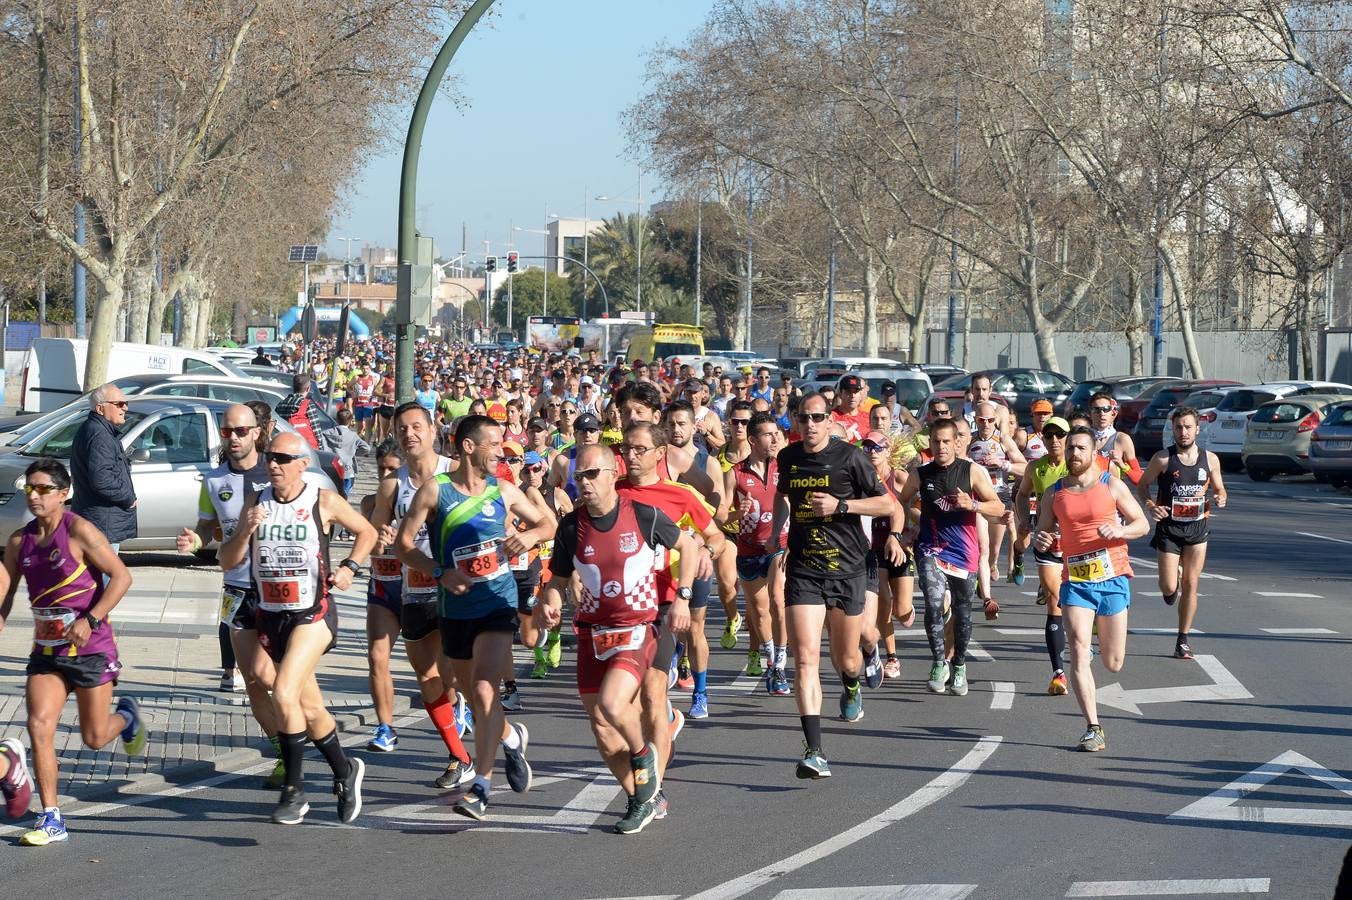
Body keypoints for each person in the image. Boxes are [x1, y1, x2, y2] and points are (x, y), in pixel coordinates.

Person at [394, 415, 551, 821]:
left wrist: (530, 537)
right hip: (454, 609)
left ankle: (481, 785)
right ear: (468, 447)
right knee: (473, 696)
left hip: (497, 603)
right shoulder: (435, 492)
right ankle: (511, 738)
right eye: (493, 444)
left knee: (483, 690)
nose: (501, 451)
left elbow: (548, 523)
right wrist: (440, 571)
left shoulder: (503, 490)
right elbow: (403, 545)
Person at [218, 431, 377, 825]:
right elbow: (227, 560)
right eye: (270, 457)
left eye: (283, 458)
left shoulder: (321, 500)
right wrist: (244, 531)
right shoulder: (256, 502)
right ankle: (345, 771)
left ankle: (295, 789)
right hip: (271, 616)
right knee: (309, 707)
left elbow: (368, 532)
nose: (273, 464)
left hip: (313, 613)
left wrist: (349, 567)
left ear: (303, 464)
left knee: (283, 691)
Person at [537, 444, 698, 834]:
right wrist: (551, 601)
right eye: (579, 477)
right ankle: (642, 798)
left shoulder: (641, 514)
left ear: (613, 474)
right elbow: (558, 579)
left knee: (613, 703)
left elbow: (689, 546)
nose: (584, 483)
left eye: (592, 475)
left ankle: (644, 753)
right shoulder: (571, 527)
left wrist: (683, 598)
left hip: (638, 628)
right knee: (603, 732)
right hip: (593, 632)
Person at [0, 458, 148, 846]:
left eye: (43, 488)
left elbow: (122, 576)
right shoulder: (21, 541)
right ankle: (52, 818)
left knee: (95, 737)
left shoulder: (80, 531)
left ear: (63, 494)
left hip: (90, 650)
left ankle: (127, 717)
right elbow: (4, 591)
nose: (34, 495)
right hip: (47, 652)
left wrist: (92, 619)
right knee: (38, 724)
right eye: (29, 488)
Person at [768, 392, 894, 779]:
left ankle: (853, 683)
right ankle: (814, 750)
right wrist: (778, 532)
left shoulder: (851, 457)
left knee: (845, 660)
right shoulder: (787, 458)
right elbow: (782, 496)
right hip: (805, 567)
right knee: (805, 658)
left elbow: (886, 505)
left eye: (818, 418)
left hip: (848, 568)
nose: (810, 425)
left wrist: (842, 507)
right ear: (795, 421)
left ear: (828, 420)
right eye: (803, 418)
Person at [177, 404, 286, 788]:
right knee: (254, 682)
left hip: (280, 590)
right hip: (237, 587)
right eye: (227, 432)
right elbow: (207, 527)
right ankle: (284, 752)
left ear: (257, 432)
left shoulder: (278, 471)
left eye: (241, 431)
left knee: (277, 678)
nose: (234, 438)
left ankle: (306, 733)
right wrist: (196, 540)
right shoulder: (213, 480)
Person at [367, 404, 474, 788]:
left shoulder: (456, 472)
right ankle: (460, 757)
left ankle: (501, 740)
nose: (410, 434)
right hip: (414, 591)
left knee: (454, 674)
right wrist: (379, 541)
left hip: (458, 591)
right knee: (427, 677)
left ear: (432, 430)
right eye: (402, 428)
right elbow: (376, 538)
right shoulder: (391, 485)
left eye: (417, 427)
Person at [1033, 426, 1149, 752]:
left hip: (1112, 579)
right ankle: (1093, 727)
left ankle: (1099, 645)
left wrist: (1119, 529)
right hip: (1076, 582)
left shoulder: (1111, 485)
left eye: (1080, 448)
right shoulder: (1054, 493)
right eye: (1070, 449)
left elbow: (1142, 523)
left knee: (1114, 663)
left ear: (1093, 450)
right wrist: (1043, 541)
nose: (1073, 454)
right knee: (1079, 650)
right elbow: (1043, 534)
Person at [898, 418, 1005, 698]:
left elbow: (997, 507)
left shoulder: (972, 472)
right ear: (930, 442)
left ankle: (959, 665)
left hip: (963, 552)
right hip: (931, 547)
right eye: (936, 441)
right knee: (933, 603)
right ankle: (938, 663)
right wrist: (907, 529)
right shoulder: (920, 474)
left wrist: (974, 504)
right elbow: (901, 500)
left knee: (962, 612)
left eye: (947, 441)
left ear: (957, 442)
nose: (941, 446)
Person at [1136, 406, 1227, 661]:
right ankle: (1171, 584)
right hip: (1169, 529)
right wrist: (1151, 506)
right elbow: (1142, 486)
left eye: (1188, 427)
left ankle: (1183, 640)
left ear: (1198, 429)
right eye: (1178, 427)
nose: (1183, 432)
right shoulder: (1163, 459)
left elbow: (1220, 488)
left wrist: (1220, 497)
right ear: (1172, 430)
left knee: (1191, 584)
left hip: (1197, 528)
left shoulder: (1210, 460)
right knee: (1168, 589)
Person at [725, 412, 792, 694]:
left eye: (776, 433)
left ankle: (780, 664)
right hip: (748, 549)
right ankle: (769, 656)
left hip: (781, 545)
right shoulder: (735, 473)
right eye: (768, 434)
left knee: (778, 599)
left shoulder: (786, 466)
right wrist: (735, 513)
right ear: (752, 440)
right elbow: (721, 516)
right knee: (760, 612)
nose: (775, 438)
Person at [1014, 416, 1072, 694]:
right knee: (1055, 600)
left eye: (1059, 435)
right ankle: (1058, 672)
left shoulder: (1078, 465)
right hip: (1048, 541)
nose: (1054, 441)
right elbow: (1022, 495)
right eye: (1049, 436)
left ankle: (1083, 633)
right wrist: (1024, 519)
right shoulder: (1035, 468)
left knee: (1075, 601)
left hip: (1078, 546)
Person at [862, 430, 917, 682]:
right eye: (868, 447)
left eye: (877, 448)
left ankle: (910, 608)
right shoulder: (860, 478)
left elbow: (916, 508)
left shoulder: (899, 477)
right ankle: (892, 657)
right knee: (883, 602)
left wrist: (910, 534)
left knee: (902, 611)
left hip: (901, 546)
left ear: (888, 451)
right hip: (874, 549)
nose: (872, 452)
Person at [70, 383, 138, 551]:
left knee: (98, 576)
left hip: (97, 519)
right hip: (101, 522)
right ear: (100, 408)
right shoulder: (100, 436)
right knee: (108, 576)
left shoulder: (96, 430)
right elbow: (102, 480)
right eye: (119, 404)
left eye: (126, 403)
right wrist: (128, 498)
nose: (125, 408)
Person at [968, 400, 1027, 585]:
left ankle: (991, 566)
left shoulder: (1003, 439)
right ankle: (982, 581)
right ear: (975, 420)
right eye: (981, 420)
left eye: (990, 420)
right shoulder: (969, 439)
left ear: (996, 420)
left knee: (993, 550)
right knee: (981, 546)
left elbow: (1025, 468)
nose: (986, 424)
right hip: (977, 497)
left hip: (998, 496)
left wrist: (1003, 464)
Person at [319, 407, 370, 497]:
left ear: (337, 419)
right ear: (350, 421)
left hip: (331, 468)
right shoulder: (353, 436)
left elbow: (320, 446)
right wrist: (353, 452)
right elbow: (366, 448)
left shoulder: (325, 433)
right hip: (348, 469)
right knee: (344, 495)